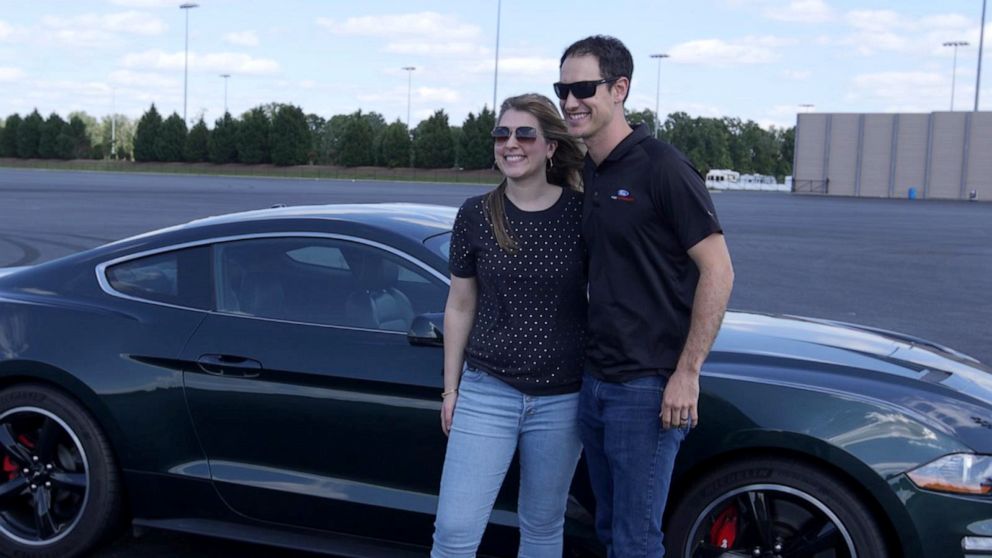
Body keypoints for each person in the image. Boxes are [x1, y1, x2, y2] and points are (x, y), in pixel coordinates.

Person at [557, 35, 735, 557]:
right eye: (562, 89)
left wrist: (687, 371)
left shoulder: (662, 166)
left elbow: (719, 270)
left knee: (636, 541)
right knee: (610, 531)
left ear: (619, 88)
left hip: (647, 389)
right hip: (595, 384)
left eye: (583, 88)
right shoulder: (591, 169)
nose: (570, 101)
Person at [431, 93, 587, 558]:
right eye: (502, 134)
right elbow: (459, 305)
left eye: (524, 134)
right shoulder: (476, 214)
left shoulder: (582, 213)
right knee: (455, 531)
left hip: (563, 398)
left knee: (542, 528)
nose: (510, 143)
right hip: (487, 392)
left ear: (551, 146)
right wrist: (451, 389)